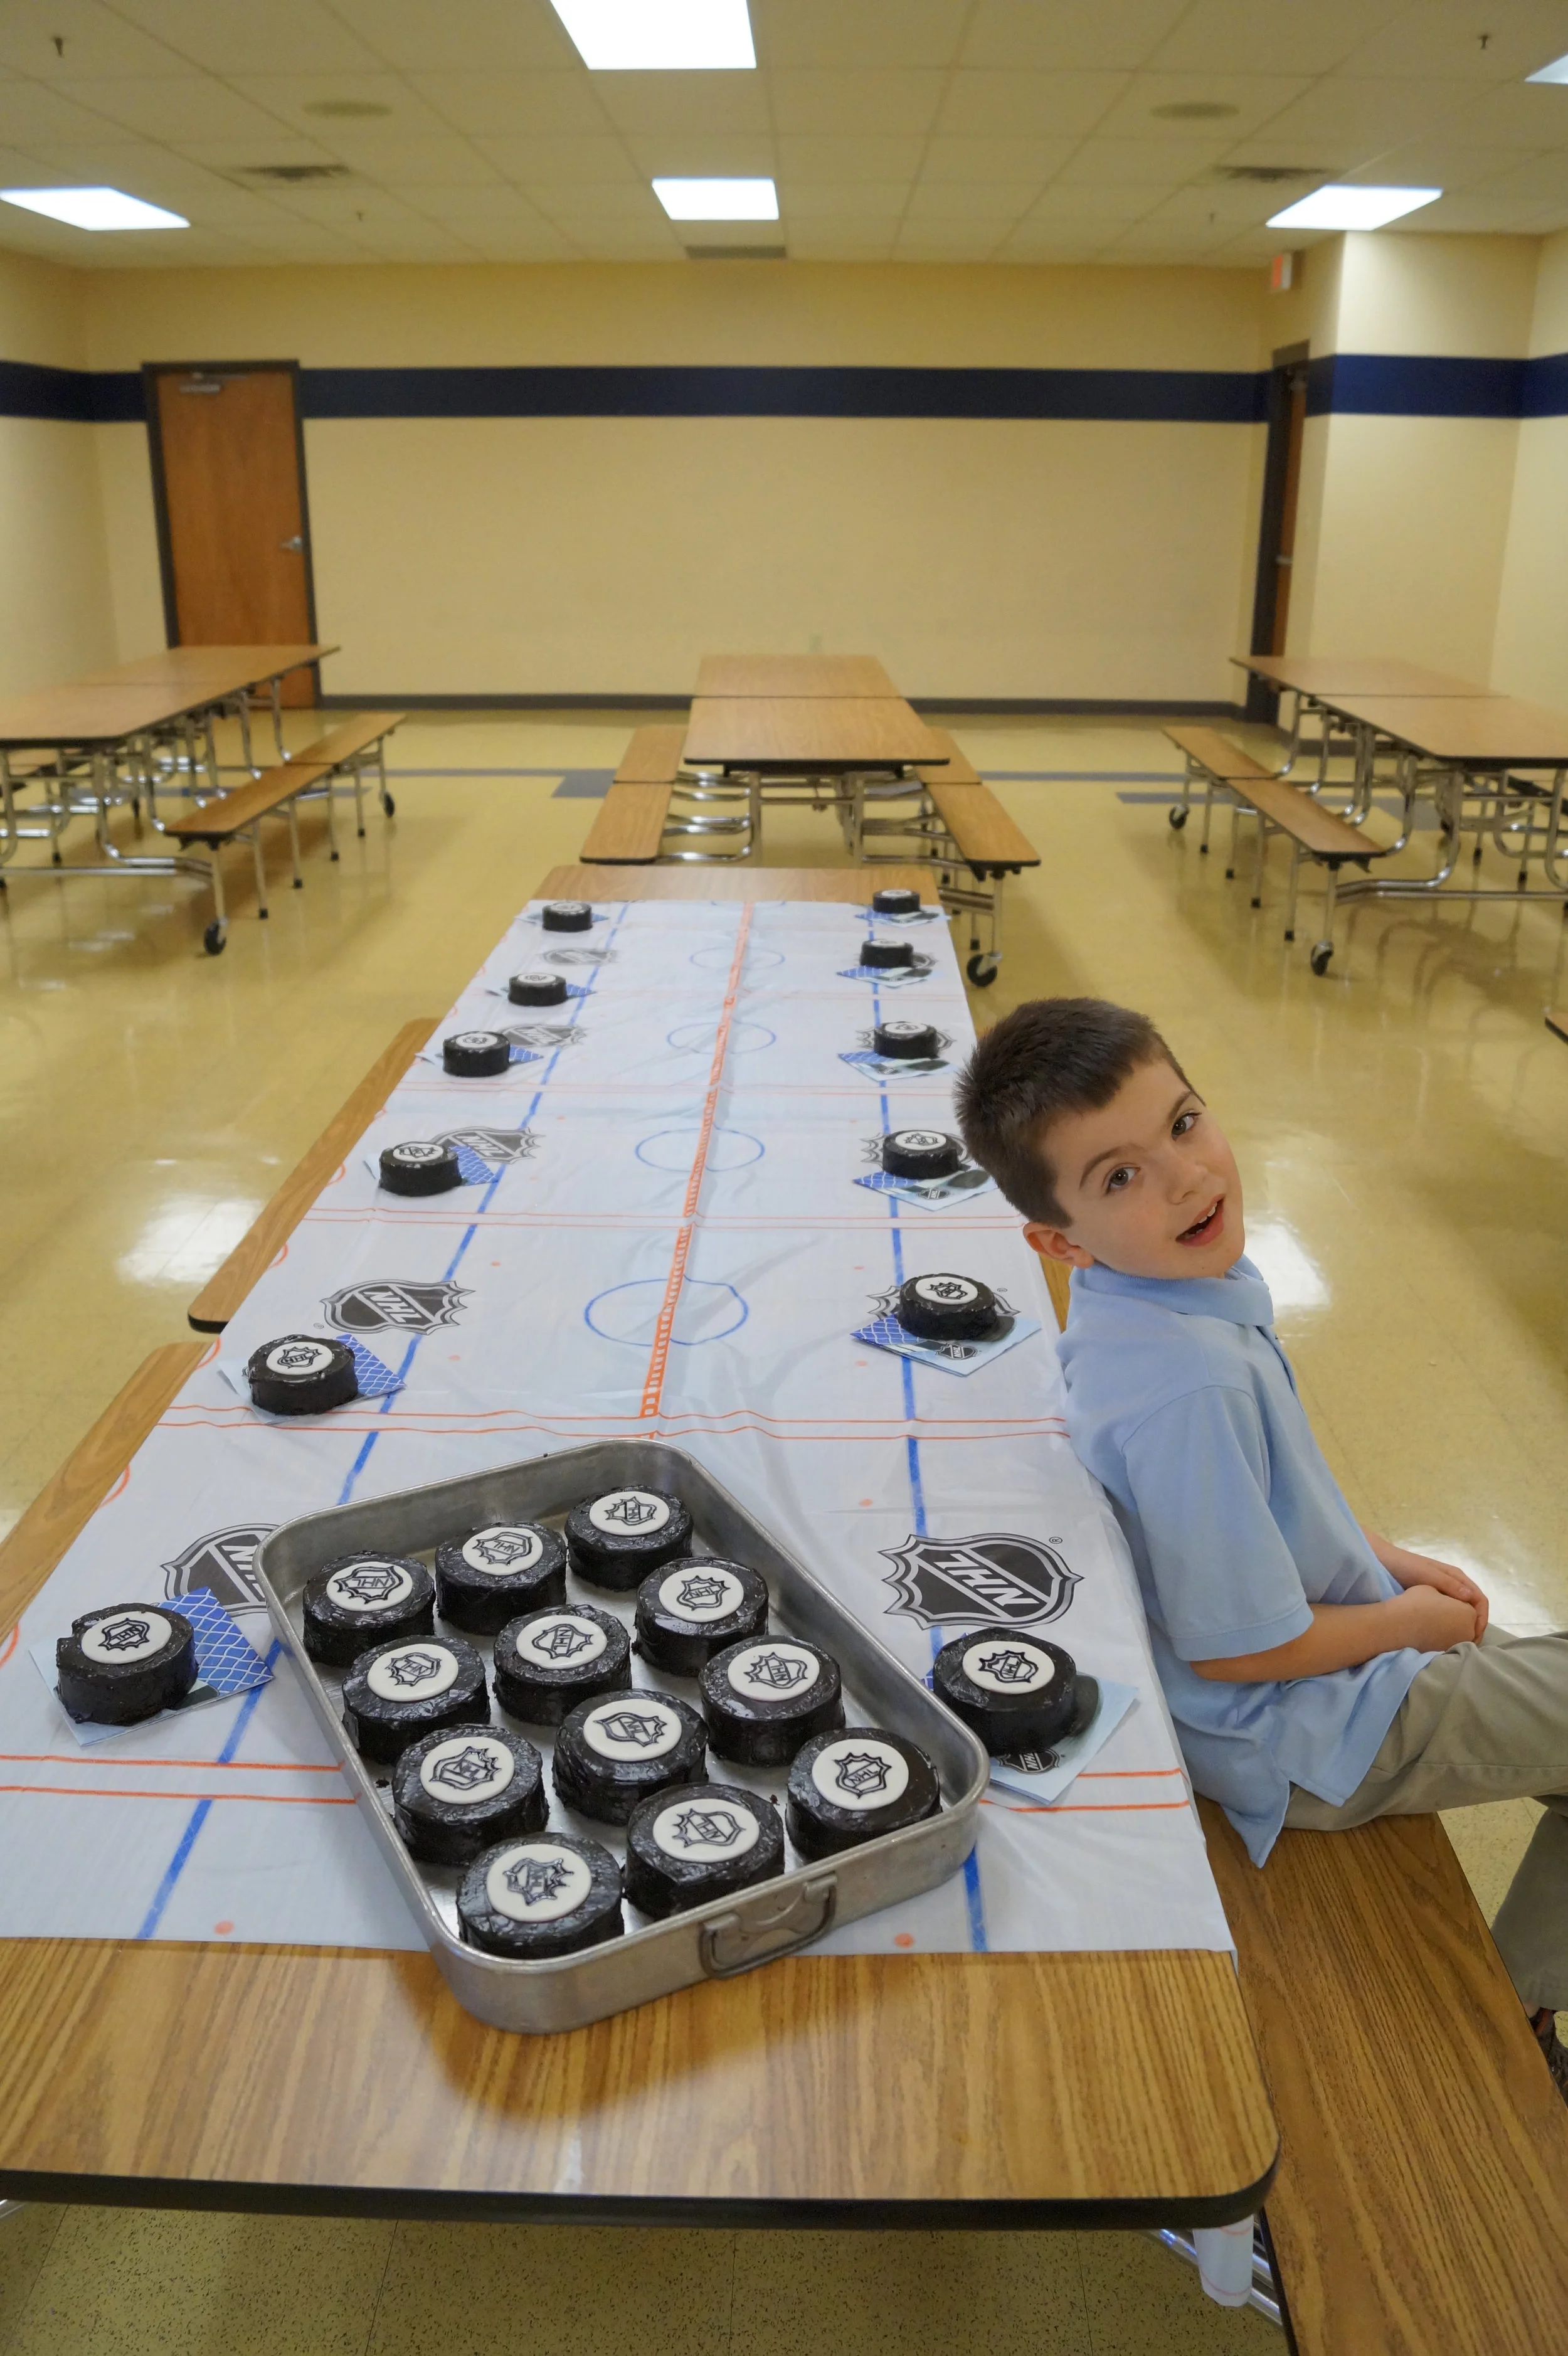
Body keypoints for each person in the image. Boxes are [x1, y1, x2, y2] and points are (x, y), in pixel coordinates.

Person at [955, 994, 1568, 2088]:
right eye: (1119, 1177)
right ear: (1057, 1240)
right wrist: (1407, 1620)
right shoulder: (1185, 1382)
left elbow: (1257, 1501)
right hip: (1302, 1731)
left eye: (1182, 1125)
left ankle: (1523, 2008)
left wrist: (1382, 1555)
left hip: (1310, 1676)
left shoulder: (1150, 1302)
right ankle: (1510, 2049)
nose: (1186, 1178)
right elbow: (1234, 1650)